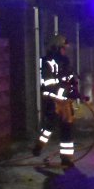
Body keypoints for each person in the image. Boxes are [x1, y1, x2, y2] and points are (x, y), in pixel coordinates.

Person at [36, 33, 81, 167]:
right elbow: (49, 83)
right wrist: (64, 85)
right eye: (62, 48)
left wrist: (75, 89)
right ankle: (39, 146)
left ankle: (66, 158)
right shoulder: (45, 62)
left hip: (65, 102)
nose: (64, 51)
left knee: (67, 129)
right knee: (49, 126)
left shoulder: (65, 61)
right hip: (53, 100)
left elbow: (70, 78)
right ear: (55, 48)